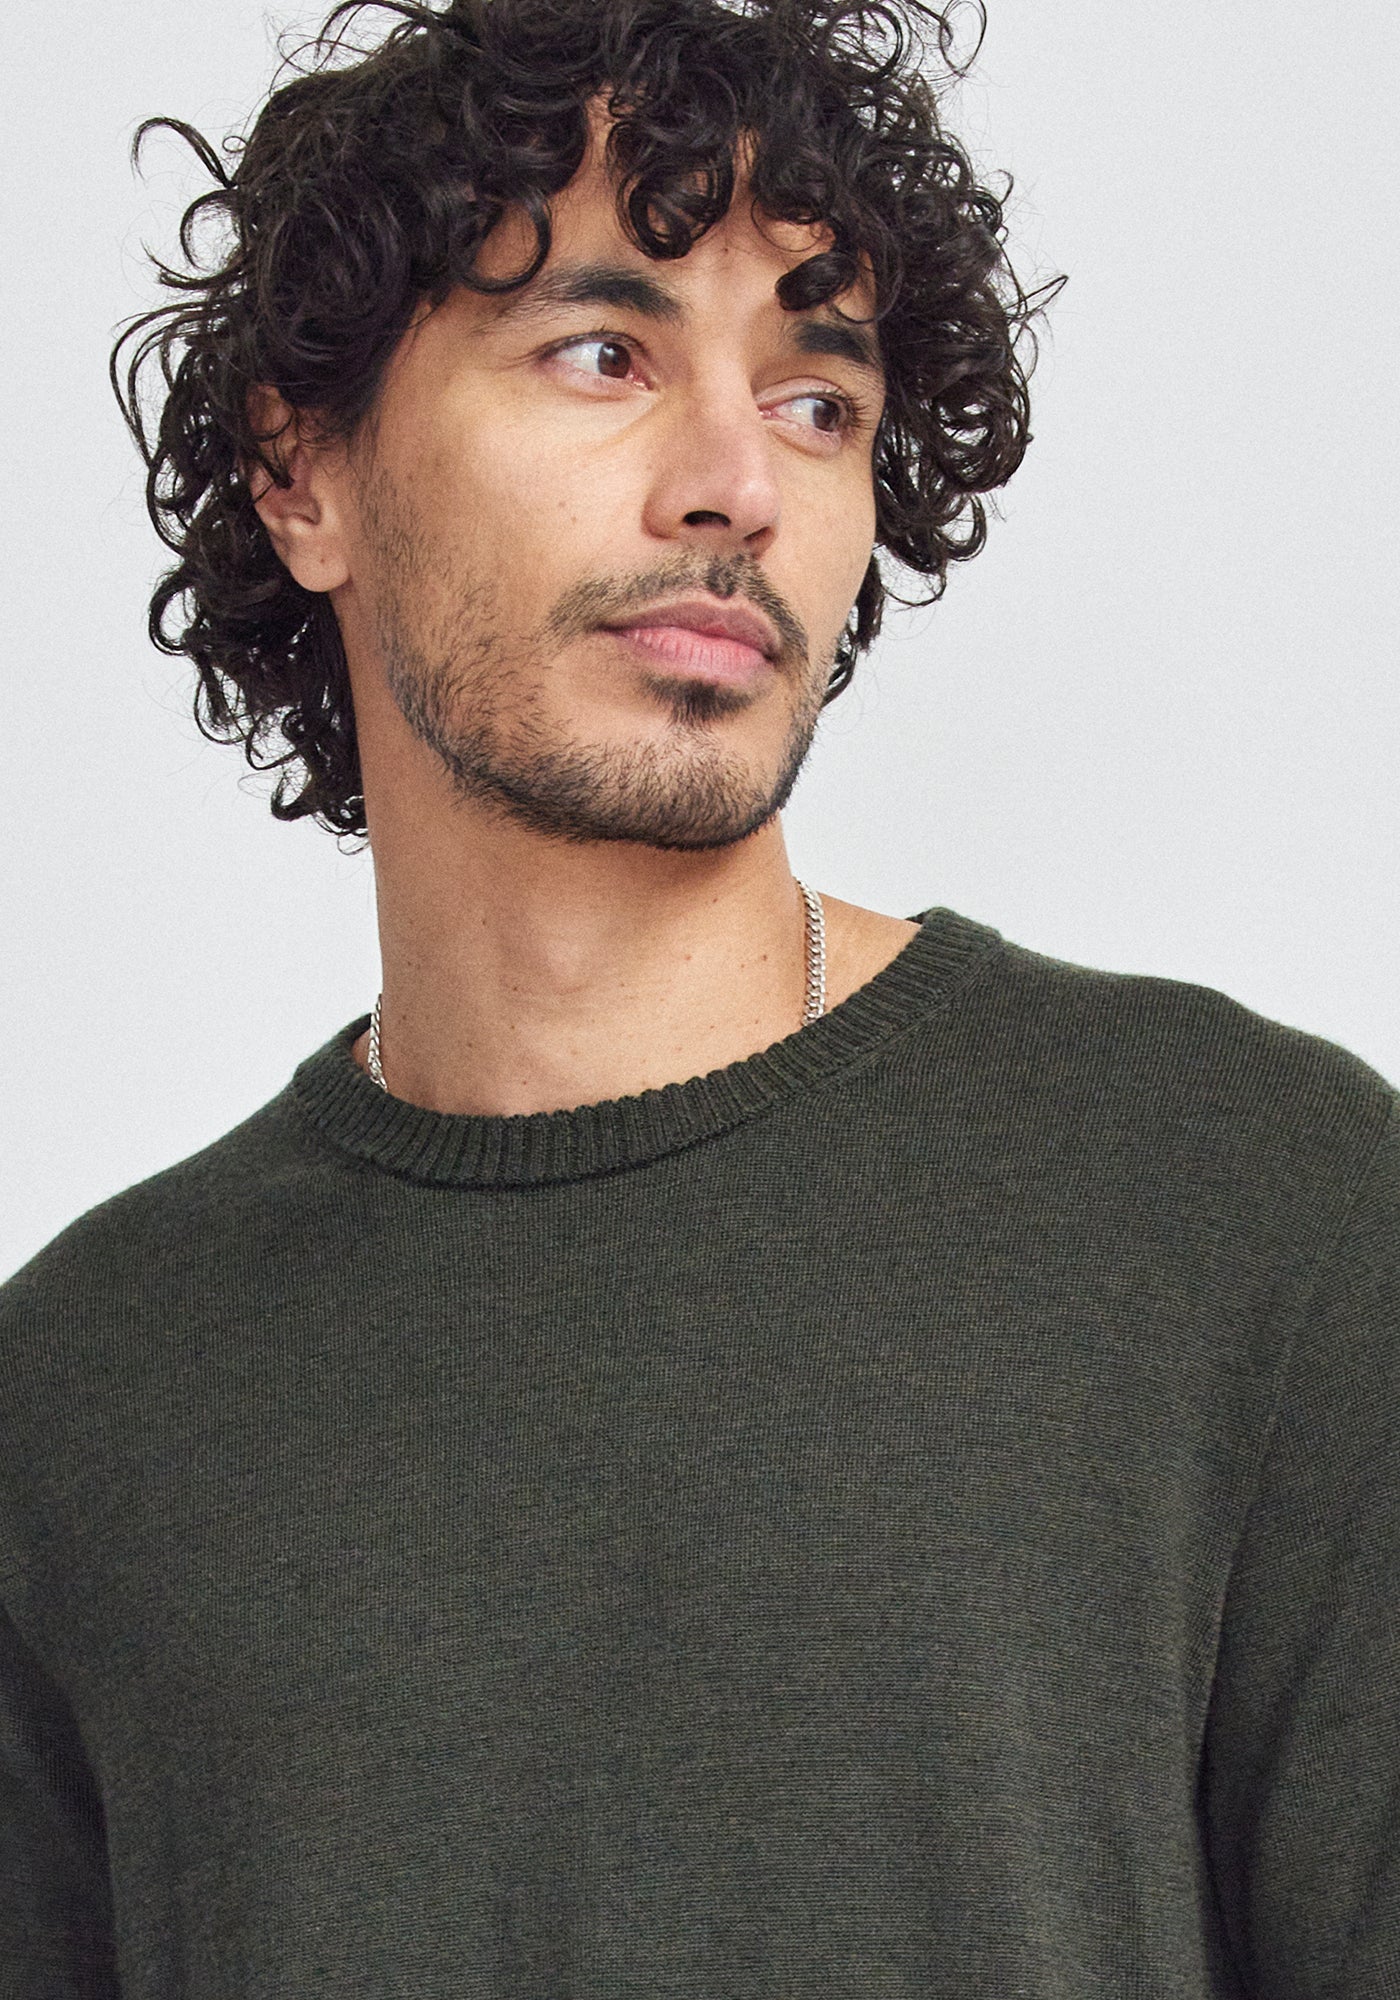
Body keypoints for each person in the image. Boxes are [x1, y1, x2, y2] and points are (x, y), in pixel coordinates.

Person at [2, 0, 1395, 1992]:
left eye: (819, 400)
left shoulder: (1260, 1209)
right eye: (604, 352)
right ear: (302, 472)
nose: (738, 483)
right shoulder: (79, 1404)